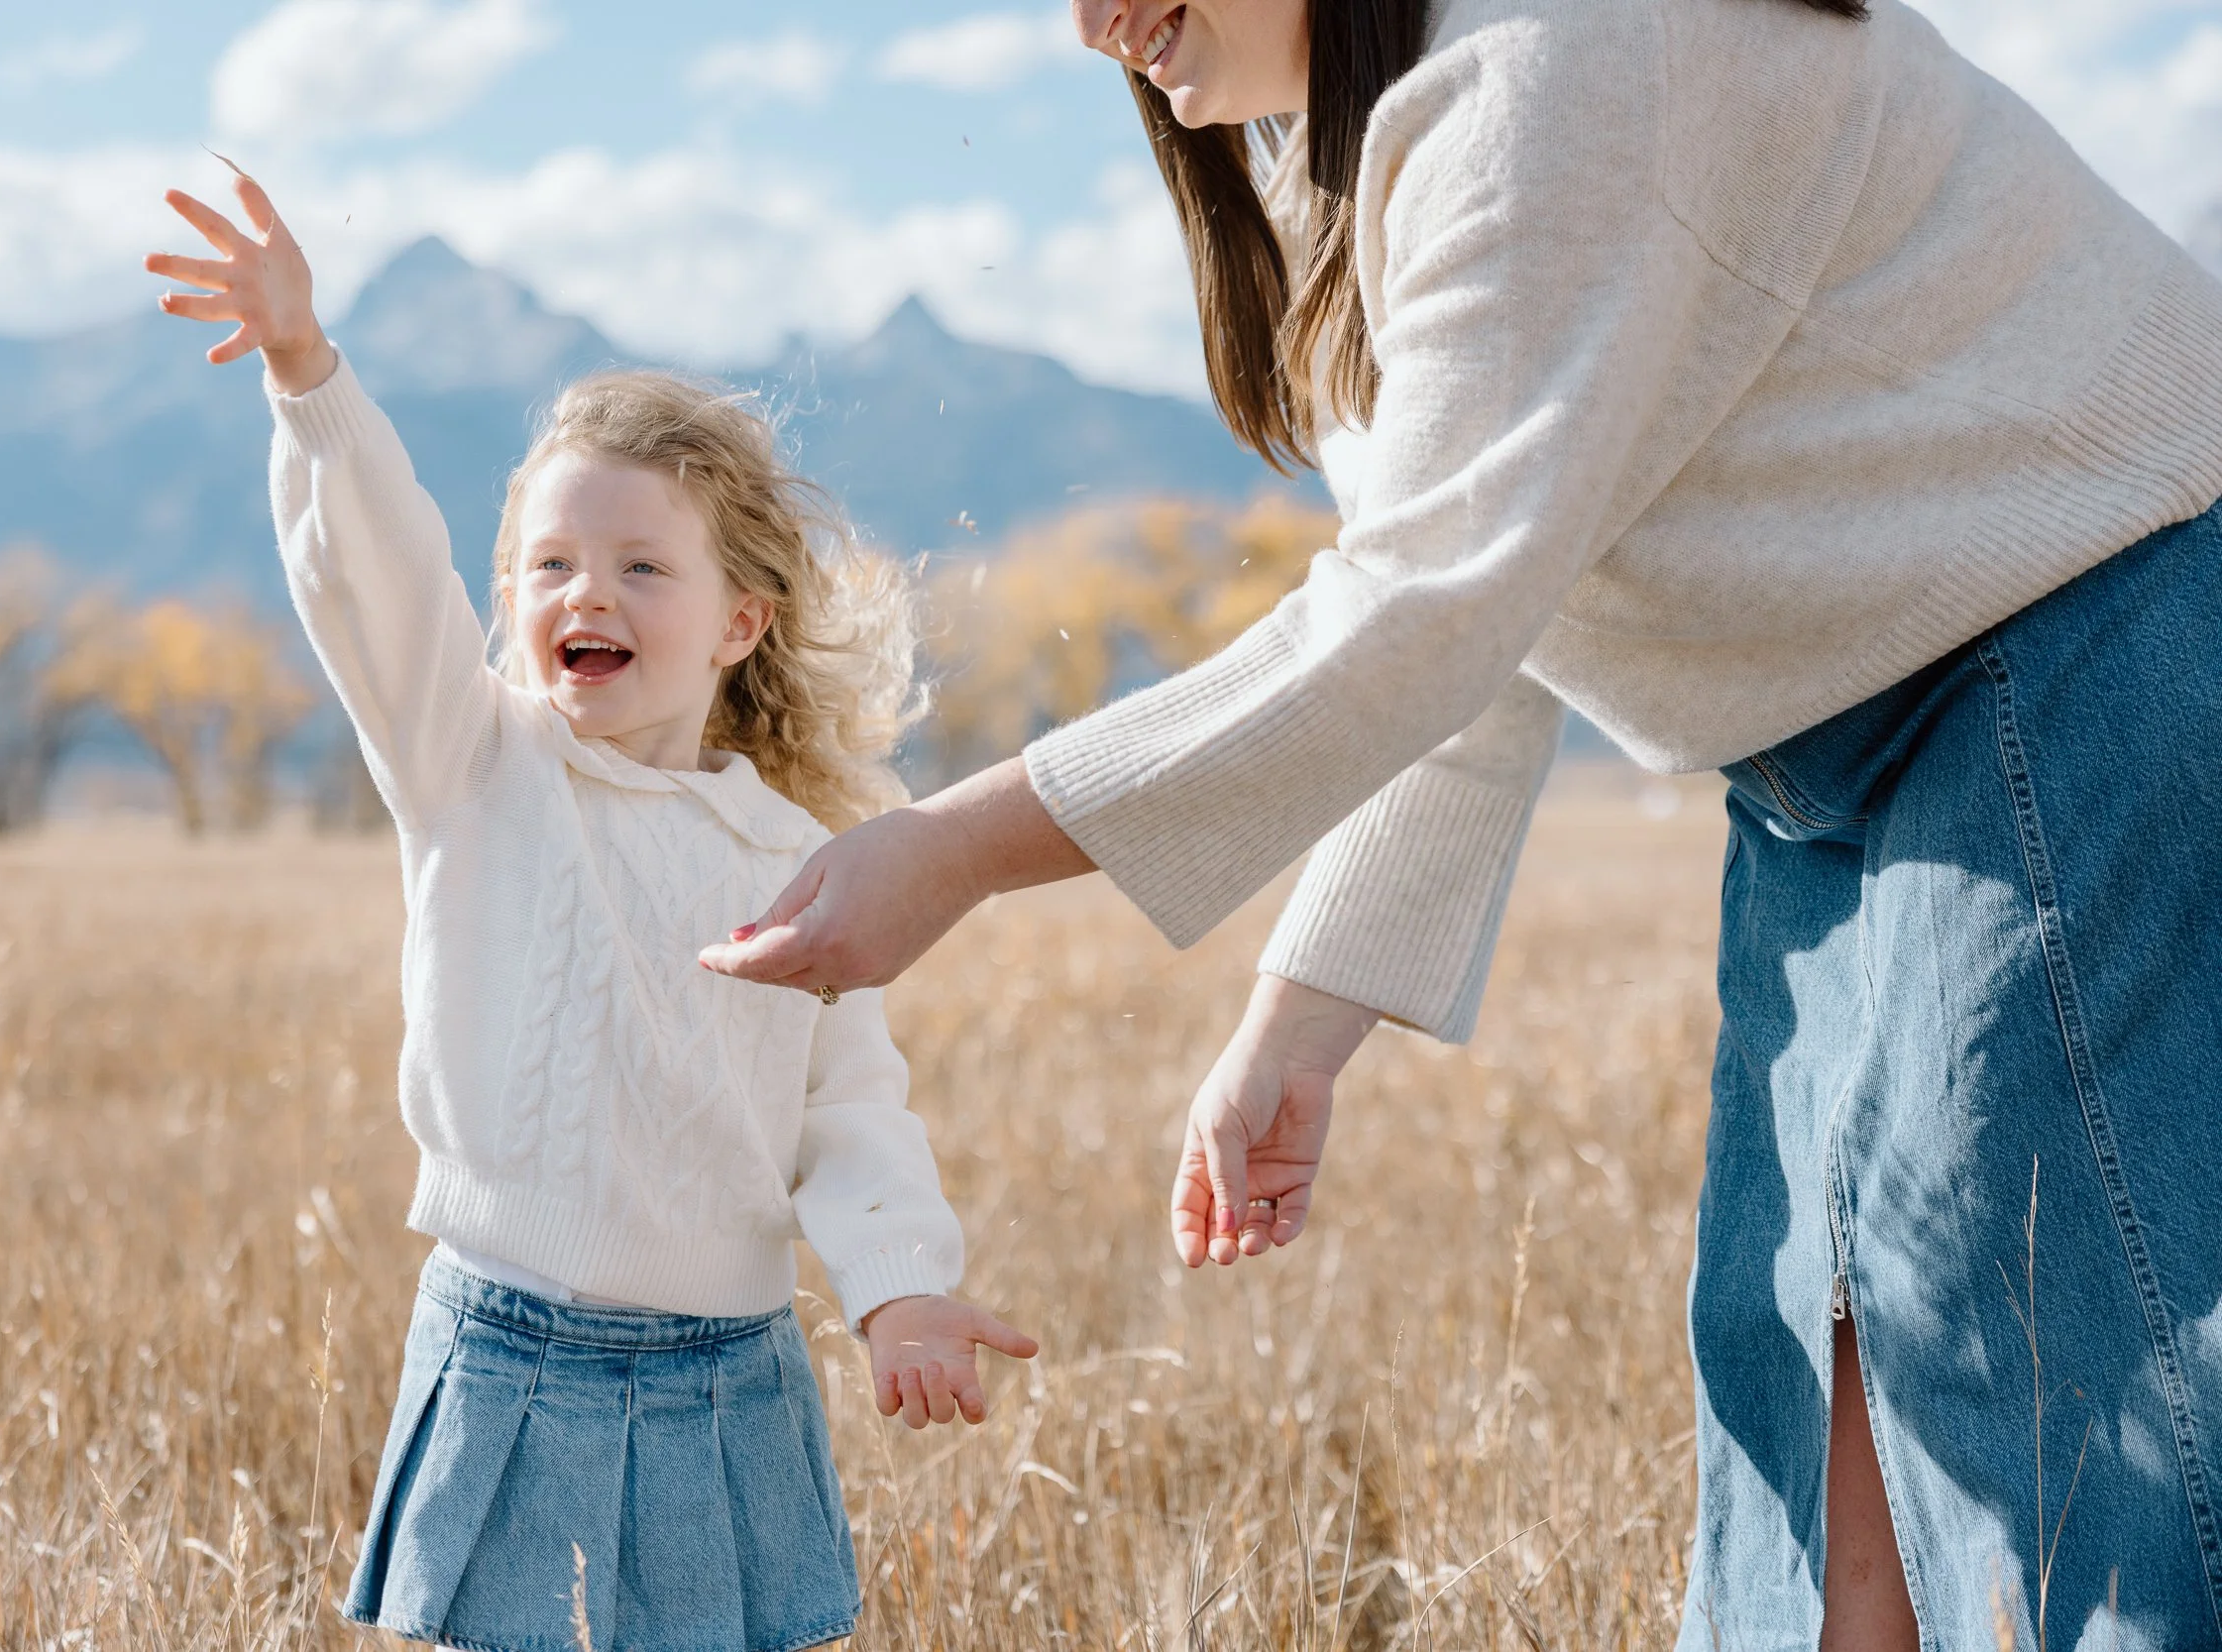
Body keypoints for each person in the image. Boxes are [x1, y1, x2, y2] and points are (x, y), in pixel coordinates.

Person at [699, 0, 2222, 1647]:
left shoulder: (1554, 72)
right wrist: (1303, 1017)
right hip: (1835, 748)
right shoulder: (1360, 144)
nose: (1094, 19)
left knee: (2000, 1328)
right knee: (1807, 1345)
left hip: (2074, 641)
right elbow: (1493, 616)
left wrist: (953, 848)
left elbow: (1418, 615)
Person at [146, 174, 1038, 1652]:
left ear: (740, 621)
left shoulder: (801, 858)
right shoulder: (474, 763)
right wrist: (311, 378)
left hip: (724, 1376)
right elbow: (381, 586)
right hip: (502, 1349)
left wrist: (900, 1291)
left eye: (639, 565)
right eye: (550, 563)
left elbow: (851, 1110)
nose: (586, 592)